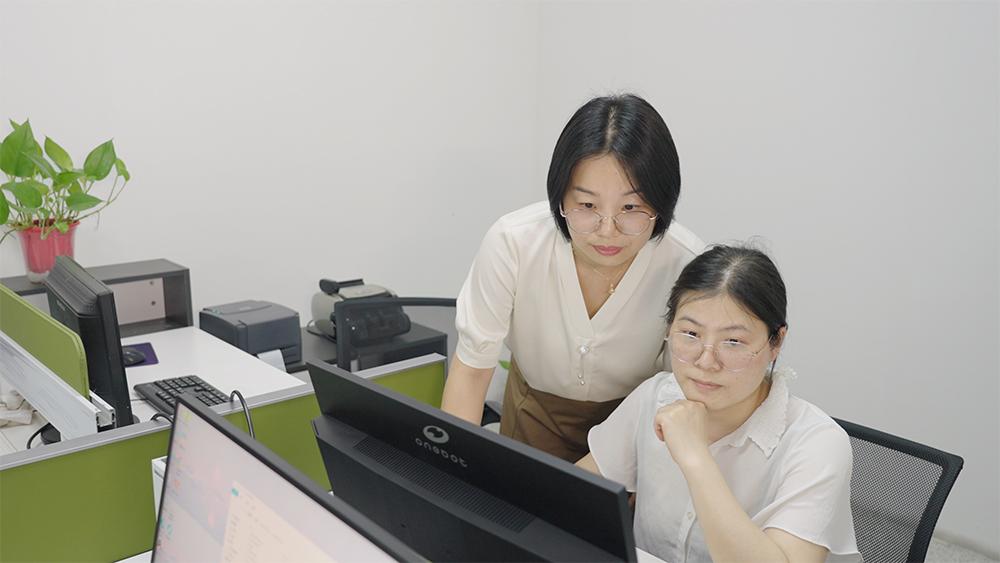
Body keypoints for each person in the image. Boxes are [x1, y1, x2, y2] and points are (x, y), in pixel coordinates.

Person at [441, 93, 704, 461]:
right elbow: (471, 373)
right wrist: (451, 471)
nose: (607, 230)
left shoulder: (686, 266)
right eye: (587, 205)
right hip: (531, 425)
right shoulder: (514, 243)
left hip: (635, 439)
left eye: (630, 207)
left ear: (661, 202)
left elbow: (683, 393)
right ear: (560, 196)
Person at [578, 245, 861, 563]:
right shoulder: (655, 396)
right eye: (690, 333)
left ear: (776, 342)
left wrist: (695, 457)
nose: (706, 361)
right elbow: (572, 493)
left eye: (733, 341)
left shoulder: (817, 444)